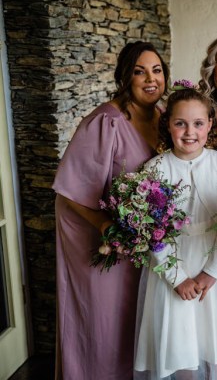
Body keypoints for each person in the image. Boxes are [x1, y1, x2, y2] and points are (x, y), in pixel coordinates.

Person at [53, 41, 169, 379]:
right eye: (139, 71)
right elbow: (69, 189)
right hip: (105, 245)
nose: (151, 79)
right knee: (103, 327)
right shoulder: (106, 121)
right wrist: (106, 226)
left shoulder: (163, 118)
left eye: (157, 70)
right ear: (124, 77)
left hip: (143, 248)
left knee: (134, 326)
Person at [134, 83, 217, 379]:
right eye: (180, 123)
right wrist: (177, 277)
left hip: (215, 270)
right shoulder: (154, 170)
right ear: (167, 124)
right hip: (173, 269)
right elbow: (150, 232)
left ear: (210, 124)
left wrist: (211, 271)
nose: (189, 132)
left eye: (197, 123)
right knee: (180, 347)